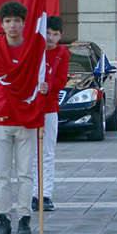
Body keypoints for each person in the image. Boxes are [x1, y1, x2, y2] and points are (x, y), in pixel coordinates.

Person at [0, 0, 47, 234]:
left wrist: (46, 88)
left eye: (17, 21)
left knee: (25, 173)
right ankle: (3, 218)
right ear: (2, 24)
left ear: (24, 23)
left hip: (27, 119)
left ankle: (25, 217)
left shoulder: (33, 48)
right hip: (0, 120)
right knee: (2, 174)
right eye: (8, 21)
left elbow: (44, 77)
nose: (13, 25)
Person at [31, 15, 70, 213]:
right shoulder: (34, 50)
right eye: (47, 33)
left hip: (49, 109)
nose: (51, 38)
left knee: (47, 153)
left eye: (55, 34)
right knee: (31, 154)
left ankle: (45, 194)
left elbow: (62, 80)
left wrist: (50, 86)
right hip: (31, 109)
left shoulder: (62, 53)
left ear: (60, 36)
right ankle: (32, 193)